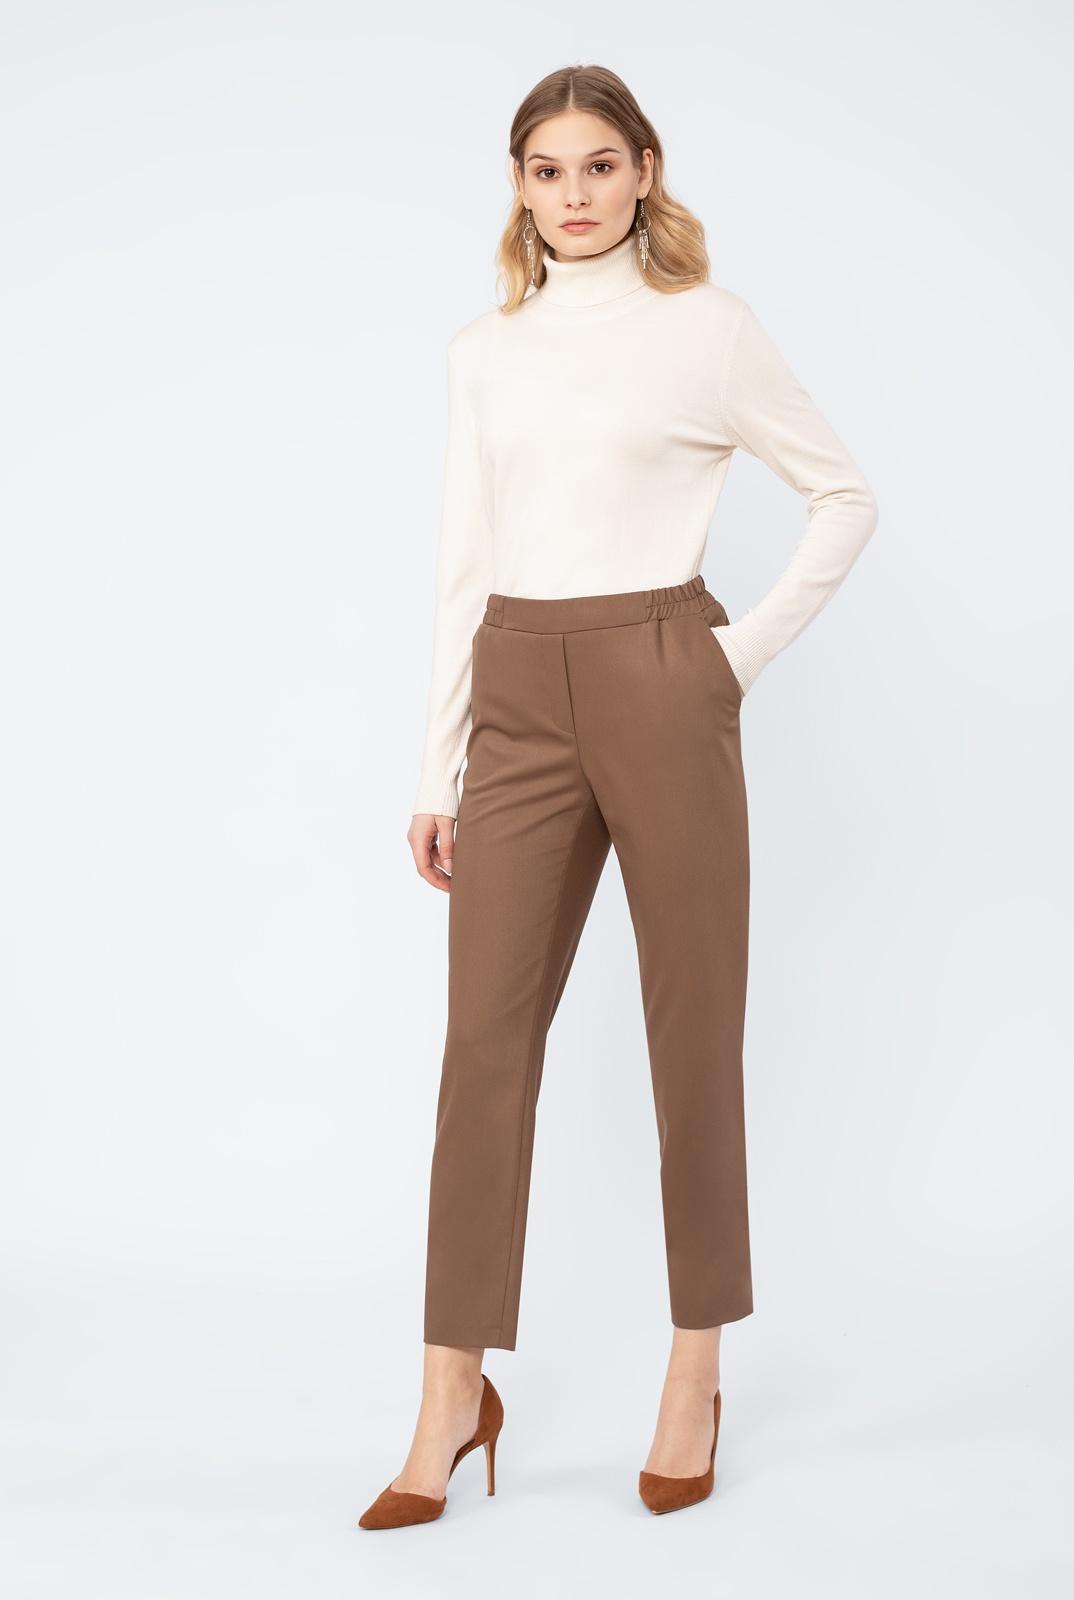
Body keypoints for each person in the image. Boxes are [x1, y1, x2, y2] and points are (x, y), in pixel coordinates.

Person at [358, 61, 878, 1530]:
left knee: (690, 1031)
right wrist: (437, 765)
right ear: (519, 188)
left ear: (645, 170)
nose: (573, 194)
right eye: (547, 170)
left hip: (663, 671)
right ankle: (450, 1392)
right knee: (483, 1043)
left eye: (599, 165)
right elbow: (465, 564)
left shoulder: (707, 331)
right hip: (517, 688)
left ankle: (695, 1366)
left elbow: (844, 495)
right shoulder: (485, 352)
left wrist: (727, 660)